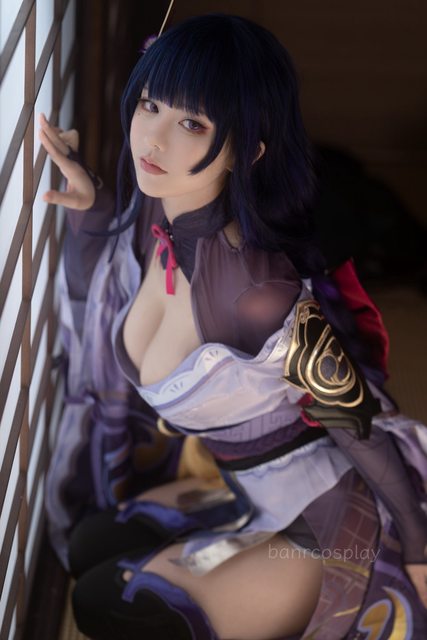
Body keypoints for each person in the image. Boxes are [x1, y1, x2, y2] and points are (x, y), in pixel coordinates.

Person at [40, 13, 427, 640]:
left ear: (248, 149)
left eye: (192, 123)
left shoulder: (255, 293)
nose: (153, 139)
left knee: (112, 603)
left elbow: (359, 429)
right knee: (89, 542)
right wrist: (91, 206)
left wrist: (419, 547)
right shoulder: (153, 208)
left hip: (324, 518)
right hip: (239, 487)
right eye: (150, 104)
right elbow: (106, 291)